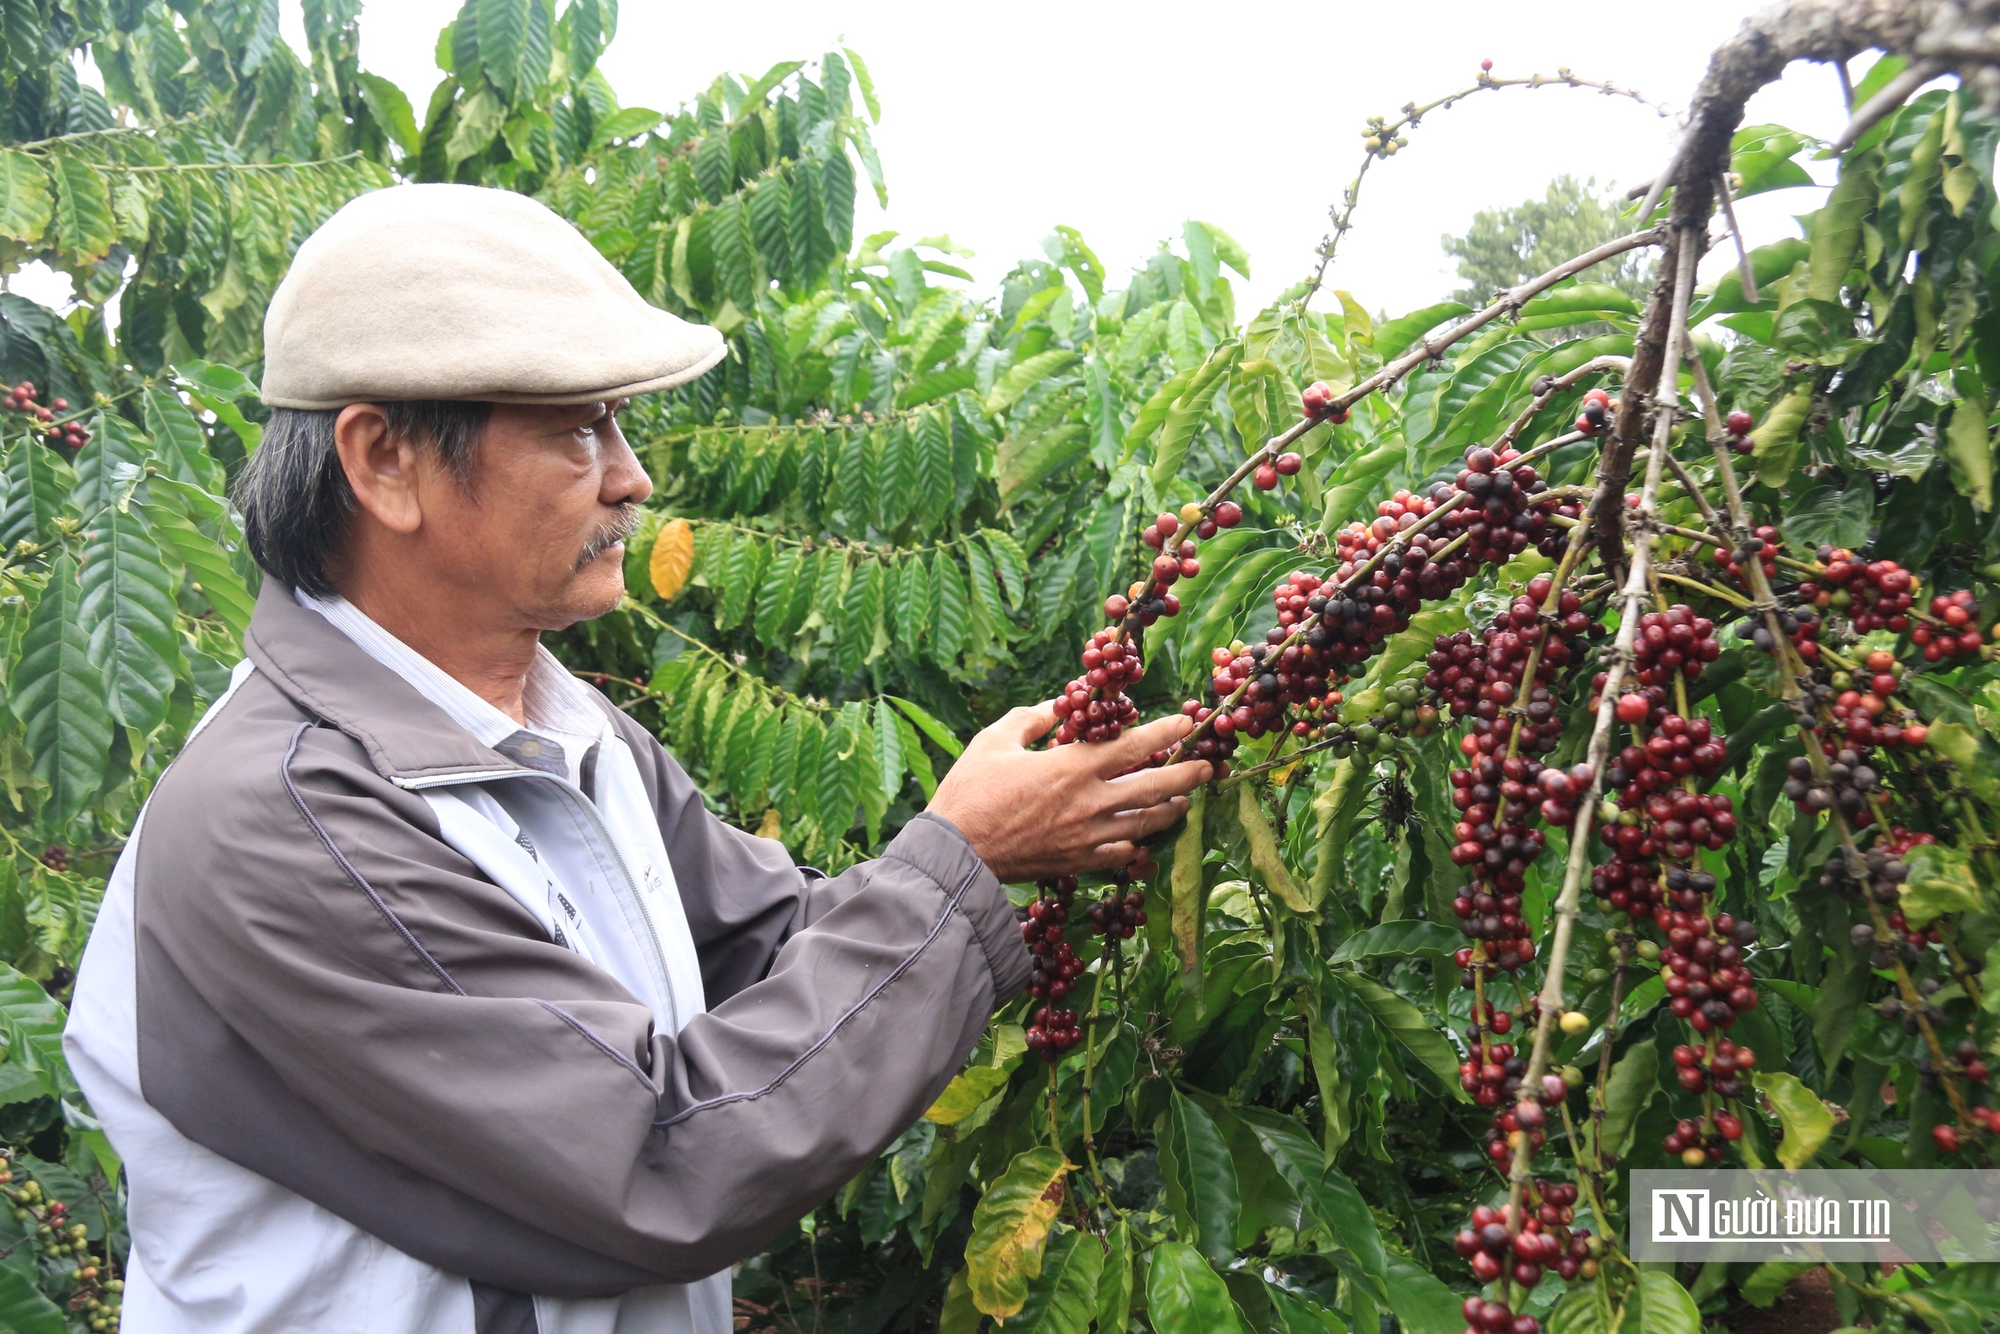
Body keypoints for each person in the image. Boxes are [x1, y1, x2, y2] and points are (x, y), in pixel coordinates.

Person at [60, 183, 1210, 1334]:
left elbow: (768, 946)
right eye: (575, 430)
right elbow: (663, 1154)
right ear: (385, 461)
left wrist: (1023, 836)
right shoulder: (287, 814)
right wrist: (958, 861)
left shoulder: (570, 733)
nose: (631, 476)